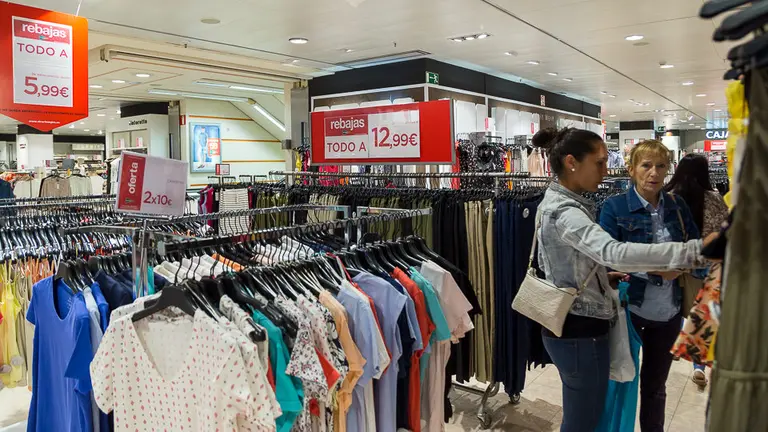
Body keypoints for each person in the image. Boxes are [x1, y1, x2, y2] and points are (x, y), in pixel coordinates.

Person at [532, 128, 715, 432]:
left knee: (590, 411)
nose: (606, 171)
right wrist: (694, 251)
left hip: (593, 320)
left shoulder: (567, 202)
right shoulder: (567, 210)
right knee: (586, 418)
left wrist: (602, 276)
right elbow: (611, 251)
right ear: (572, 162)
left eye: (661, 166)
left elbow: (575, 261)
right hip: (582, 326)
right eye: (600, 163)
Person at [599, 140, 704, 432]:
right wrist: (655, 271)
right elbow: (605, 258)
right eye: (646, 165)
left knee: (656, 386)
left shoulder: (677, 206)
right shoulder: (614, 206)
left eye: (660, 166)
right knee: (621, 381)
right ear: (631, 169)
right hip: (629, 311)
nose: (653, 173)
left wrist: (683, 266)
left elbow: (693, 247)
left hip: (669, 313)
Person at [665, 153, 729, 389]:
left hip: (672, 266)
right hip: (704, 268)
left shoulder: (668, 197)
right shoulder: (714, 198)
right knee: (700, 315)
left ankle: (671, 348)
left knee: (671, 311)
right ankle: (698, 367)